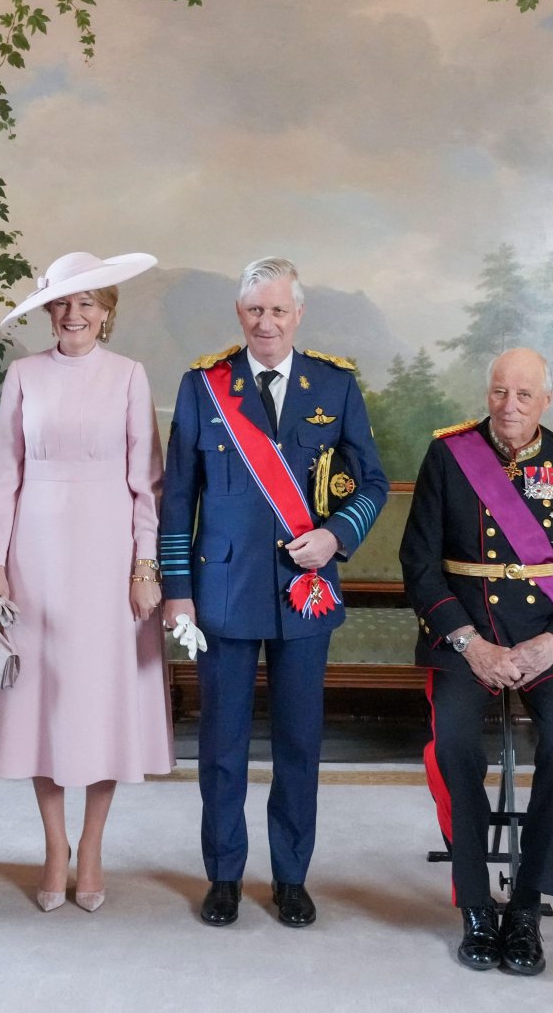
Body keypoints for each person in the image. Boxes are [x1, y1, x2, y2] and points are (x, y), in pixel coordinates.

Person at [161, 257, 388, 928]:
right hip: (223, 590)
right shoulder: (205, 385)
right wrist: (178, 589)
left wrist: (336, 536)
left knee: (298, 742)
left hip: (304, 591)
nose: (266, 321)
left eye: (278, 310)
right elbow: (178, 497)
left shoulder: (336, 384)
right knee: (222, 744)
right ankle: (225, 874)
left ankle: (291, 875)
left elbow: (371, 482)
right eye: (255, 310)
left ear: (298, 314)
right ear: (240, 314)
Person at [399, 347, 553, 975]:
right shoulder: (449, 454)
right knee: (456, 747)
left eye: (524, 395)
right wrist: (471, 643)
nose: (509, 406)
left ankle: (524, 908)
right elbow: (419, 562)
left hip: (550, 639)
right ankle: (474, 904)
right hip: (466, 637)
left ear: (546, 401)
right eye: (499, 392)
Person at [0, 251, 175, 913]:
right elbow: (5, 472)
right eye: (63, 303)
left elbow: (148, 482)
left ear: (107, 311)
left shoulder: (128, 376)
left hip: (109, 554)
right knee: (44, 703)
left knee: (101, 703)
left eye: (88, 302)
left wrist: (145, 565)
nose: (75, 314)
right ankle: (54, 844)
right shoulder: (25, 375)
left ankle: (92, 845)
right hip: (37, 556)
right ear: (48, 311)